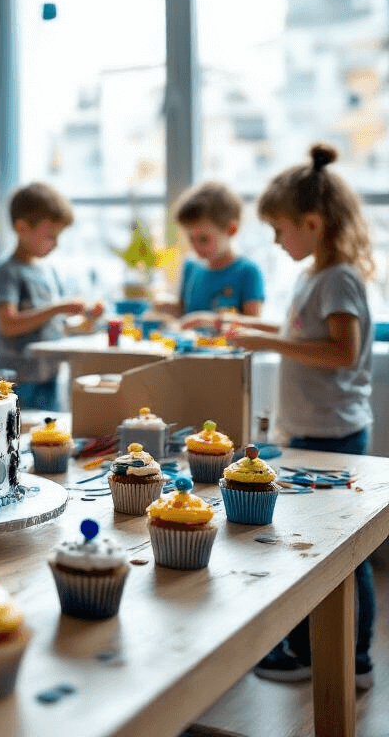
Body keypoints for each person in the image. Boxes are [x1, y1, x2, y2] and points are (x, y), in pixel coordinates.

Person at [229, 143, 376, 690]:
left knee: (341, 551)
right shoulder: (317, 275)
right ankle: (307, 649)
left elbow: (340, 350)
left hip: (333, 433)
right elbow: (304, 339)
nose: (275, 240)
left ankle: (351, 658)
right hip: (319, 429)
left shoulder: (337, 278)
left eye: (278, 229)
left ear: (312, 223)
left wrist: (273, 343)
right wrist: (256, 334)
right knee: (313, 544)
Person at [0, 182, 103, 411]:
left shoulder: (48, 271)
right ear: (22, 228)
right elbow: (8, 324)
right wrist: (57, 308)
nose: (56, 244)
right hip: (17, 381)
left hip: (48, 377)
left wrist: (88, 319)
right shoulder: (8, 271)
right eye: (50, 237)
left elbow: (57, 327)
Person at [152, 180, 265, 329]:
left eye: (203, 239)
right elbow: (183, 311)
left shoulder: (248, 272)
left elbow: (254, 328)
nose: (196, 247)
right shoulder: (191, 266)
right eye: (191, 239)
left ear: (231, 230)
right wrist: (159, 306)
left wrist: (205, 321)